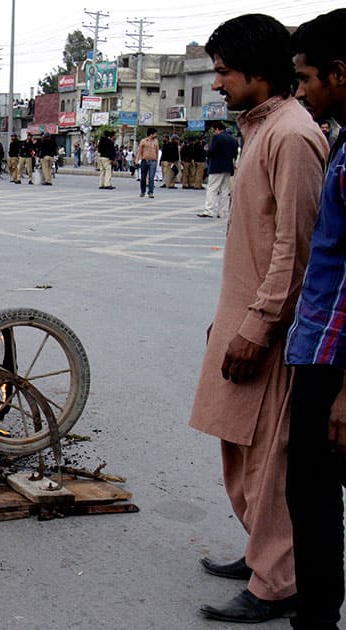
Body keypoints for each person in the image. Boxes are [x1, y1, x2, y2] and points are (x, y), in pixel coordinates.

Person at [188, 14, 327, 624]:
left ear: (259, 74)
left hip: (269, 333)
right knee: (239, 449)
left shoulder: (292, 137)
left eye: (222, 73)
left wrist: (257, 327)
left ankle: (279, 581)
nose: (216, 84)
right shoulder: (261, 130)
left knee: (271, 462)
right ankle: (260, 552)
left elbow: (295, 251)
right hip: (241, 320)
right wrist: (228, 321)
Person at [284, 11, 346, 629]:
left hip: (336, 363)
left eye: (305, 78)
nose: (301, 90)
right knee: (308, 492)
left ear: (340, 72)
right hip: (319, 350)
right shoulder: (342, 141)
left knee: (317, 493)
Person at [199, 122, 240, 218]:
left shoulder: (217, 138)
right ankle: (222, 212)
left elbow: (212, 151)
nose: (214, 133)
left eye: (214, 130)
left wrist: (207, 152)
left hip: (216, 166)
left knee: (212, 188)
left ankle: (209, 210)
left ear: (218, 129)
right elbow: (235, 153)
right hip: (228, 167)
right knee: (225, 190)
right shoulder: (232, 139)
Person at [136, 129, 159, 198]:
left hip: (153, 161)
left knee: (151, 177)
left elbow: (157, 152)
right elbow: (139, 151)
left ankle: (150, 192)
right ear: (151, 134)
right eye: (155, 133)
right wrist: (136, 161)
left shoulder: (156, 141)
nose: (156, 135)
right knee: (143, 177)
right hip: (144, 161)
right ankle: (143, 191)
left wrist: (156, 161)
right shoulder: (143, 141)